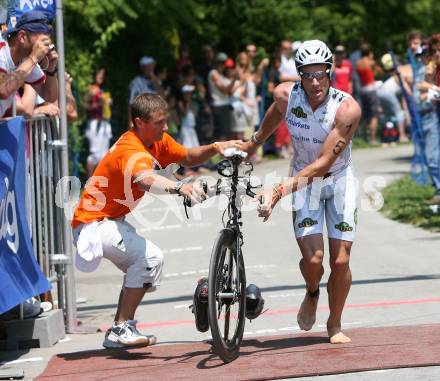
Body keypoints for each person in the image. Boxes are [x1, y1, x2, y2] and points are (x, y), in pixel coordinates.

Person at [71, 93, 241, 349]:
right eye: (160, 122)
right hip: (93, 225)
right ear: (139, 122)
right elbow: (146, 179)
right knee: (149, 259)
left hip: (107, 221)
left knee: (141, 266)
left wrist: (215, 147)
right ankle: (121, 328)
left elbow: (188, 157)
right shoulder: (131, 150)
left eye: (166, 121)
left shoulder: (155, 139)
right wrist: (178, 187)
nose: (166, 127)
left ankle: (119, 328)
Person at [239, 40, 361, 344]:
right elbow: (275, 112)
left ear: (330, 71)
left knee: (341, 261)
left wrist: (279, 190)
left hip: (337, 179)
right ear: (299, 74)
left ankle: (334, 323)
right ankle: (312, 291)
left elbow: (322, 165)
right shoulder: (286, 95)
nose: (315, 82)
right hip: (303, 181)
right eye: (308, 75)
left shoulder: (346, 109)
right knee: (314, 260)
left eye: (321, 73)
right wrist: (255, 141)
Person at [0, 10, 58, 118]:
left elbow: (49, 96)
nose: (46, 45)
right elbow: (3, 89)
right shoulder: (2, 51)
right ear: (22, 36)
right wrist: (34, 58)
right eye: (42, 40)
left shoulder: (26, 60)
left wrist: (51, 68)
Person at [84, 68, 113, 177]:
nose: (101, 76)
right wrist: (96, 105)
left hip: (105, 123)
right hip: (95, 124)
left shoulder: (104, 90)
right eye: (99, 74)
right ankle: (90, 183)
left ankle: (99, 183)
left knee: (104, 155)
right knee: (94, 155)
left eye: (103, 74)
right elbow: (85, 106)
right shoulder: (90, 89)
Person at [356, 43, 382, 144]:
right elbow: (380, 71)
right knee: (374, 115)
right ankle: (373, 139)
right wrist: (373, 60)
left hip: (363, 90)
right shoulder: (370, 62)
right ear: (369, 52)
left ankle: (363, 138)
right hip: (371, 90)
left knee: (366, 116)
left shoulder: (358, 63)